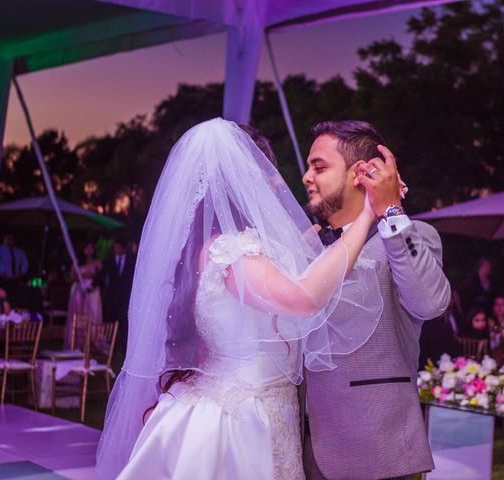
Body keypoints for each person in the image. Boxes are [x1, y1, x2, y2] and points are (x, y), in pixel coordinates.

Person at [96, 119, 383, 479]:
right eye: (266, 173)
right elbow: (304, 297)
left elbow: (292, 272)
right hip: (237, 423)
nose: (278, 182)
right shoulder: (230, 251)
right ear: (238, 183)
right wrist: (371, 211)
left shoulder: (248, 250)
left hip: (270, 412)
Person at [301, 120, 451, 480]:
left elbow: (431, 303)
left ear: (361, 173)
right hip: (302, 449)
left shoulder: (409, 237)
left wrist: (392, 212)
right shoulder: (308, 245)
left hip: (374, 447)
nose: (306, 176)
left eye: (319, 167)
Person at [65, 242, 103, 348]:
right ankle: (76, 341)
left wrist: (93, 277)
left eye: (91, 247)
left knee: (92, 313)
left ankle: (93, 340)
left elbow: (101, 277)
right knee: (79, 314)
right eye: (87, 247)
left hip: (93, 291)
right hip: (79, 292)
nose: (89, 250)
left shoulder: (97, 262)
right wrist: (81, 276)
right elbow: (71, 279)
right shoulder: (77, 263)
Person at [103, 237, 135, 352]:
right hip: (112, 298)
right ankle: (110, 346)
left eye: (118, 247)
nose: (116, 249)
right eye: (115, 247)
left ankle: (125, 347)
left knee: (125, 323)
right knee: (110, 322)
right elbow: (103, 276)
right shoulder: (109, 261)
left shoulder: (131, 260)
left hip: (125, 298)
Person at [0, 234, 29, 300]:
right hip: (3, 279)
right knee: (3, 298)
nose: (10, 241)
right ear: (5, 239)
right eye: (8, 239)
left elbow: (25, 263)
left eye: (12, 239)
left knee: (15, 298)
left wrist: (21, 273)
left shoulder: (19, 251)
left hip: (15, 279)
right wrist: (0, 273)